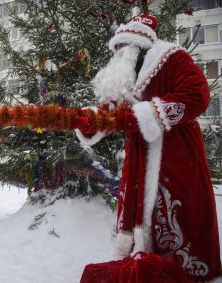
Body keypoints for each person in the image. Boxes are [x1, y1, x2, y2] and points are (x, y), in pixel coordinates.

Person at [75, 13, 221, 282]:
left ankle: (182, 269)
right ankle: (143, 263)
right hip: (139, 156)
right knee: (139, 210)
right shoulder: (125, 73)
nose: (117, 54)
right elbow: (110, 114)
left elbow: (197, 95)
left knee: (178, 208)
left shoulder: (173, 58)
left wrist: (146, 115)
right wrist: (87, 121)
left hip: (177, 151)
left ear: (136, 45)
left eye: (122, 48)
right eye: (115, 49)